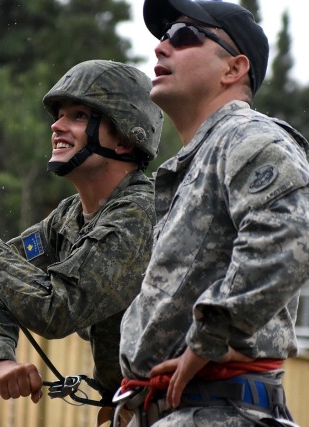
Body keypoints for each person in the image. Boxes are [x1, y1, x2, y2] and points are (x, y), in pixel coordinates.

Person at [0, 60, 163, 423]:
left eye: (78, 116)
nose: (57, 125)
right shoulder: (67, 218)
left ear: (126, 139)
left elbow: (58, 309)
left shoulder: (141, 215)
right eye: (58, 115)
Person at [116, 1, 309, 426]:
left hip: (221, 409)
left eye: (183, 36)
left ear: (233, 69)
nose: (161, 48)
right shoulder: (194, 164)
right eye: (162, 37)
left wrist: (210, 338)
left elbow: (291, 236)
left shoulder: (249, 136)